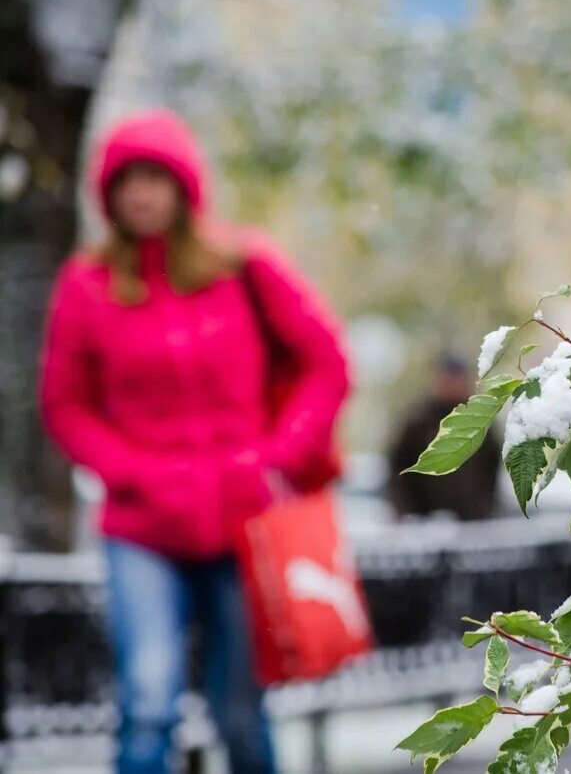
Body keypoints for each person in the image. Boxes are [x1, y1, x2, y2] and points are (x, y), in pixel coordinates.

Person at [39, 109, 350, 774]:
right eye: (127, 180)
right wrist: (128, 469)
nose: (142, 193)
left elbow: (327, 363)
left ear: (184, 186)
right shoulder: (87, 285)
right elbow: (64, 405)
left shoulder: (245, 266)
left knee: (240, 711)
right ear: (109, 194)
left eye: (155, 176)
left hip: (244, 523)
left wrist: (276, 457)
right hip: (143, 524)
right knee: (148, 698)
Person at [388, 354, 501, 520]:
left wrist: (486, 509)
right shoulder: (418, 421)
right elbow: (398, 470)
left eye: (456, 378)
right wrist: (407, 514)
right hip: (424, 523)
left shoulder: (480, 419)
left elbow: (492, 468)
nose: (451, 384)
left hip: (471, 522)